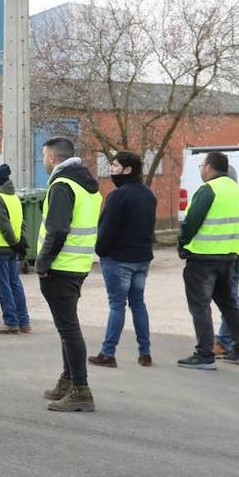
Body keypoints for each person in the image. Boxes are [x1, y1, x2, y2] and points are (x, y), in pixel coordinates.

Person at [36, 137, 102, 411]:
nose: (43, 161)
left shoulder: (62, 185)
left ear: (52, 158)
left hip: (61, 267)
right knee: (67, 327)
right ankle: (68, 379)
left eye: (44, 156)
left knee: (68, 328)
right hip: (78, 264)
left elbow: (58, 229)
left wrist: (43, 261)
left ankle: (80, 390)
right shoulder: (87, 186)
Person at [176, 151, 239, 370]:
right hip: (229, 258)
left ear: (209, 167)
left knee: (200, 306)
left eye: (201, 166)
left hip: (202, 258)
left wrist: (183, 243)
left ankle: (204, 354)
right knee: (229, 305)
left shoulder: (208, 190)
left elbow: (192, 222)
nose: (201, 170)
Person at [88, 152, 157, 367]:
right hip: (142, 259)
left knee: (117, 305)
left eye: (115, 166)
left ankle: (108, 353)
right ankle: (145, 353)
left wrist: (100, 251)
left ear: (128, 170)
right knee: (138, 303)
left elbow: (107, 229)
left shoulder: (117, 196)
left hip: (118, 259)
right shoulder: (149, 195)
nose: (111, 169)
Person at [0, 163, 31, 335]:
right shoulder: (14, 197)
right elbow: (22, 223)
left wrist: (13, 242)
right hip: (12, 249)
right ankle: (24, 322)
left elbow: (3, 224)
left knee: (2, 286)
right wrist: (19, 244)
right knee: (15, 284)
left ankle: (10, 322)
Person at [214, 165, 239, 356]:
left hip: (233, 255)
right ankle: (230, 340)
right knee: (230, 299)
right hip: (236, 254)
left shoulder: (233, 198)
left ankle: (228, 342)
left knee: (230, 300)